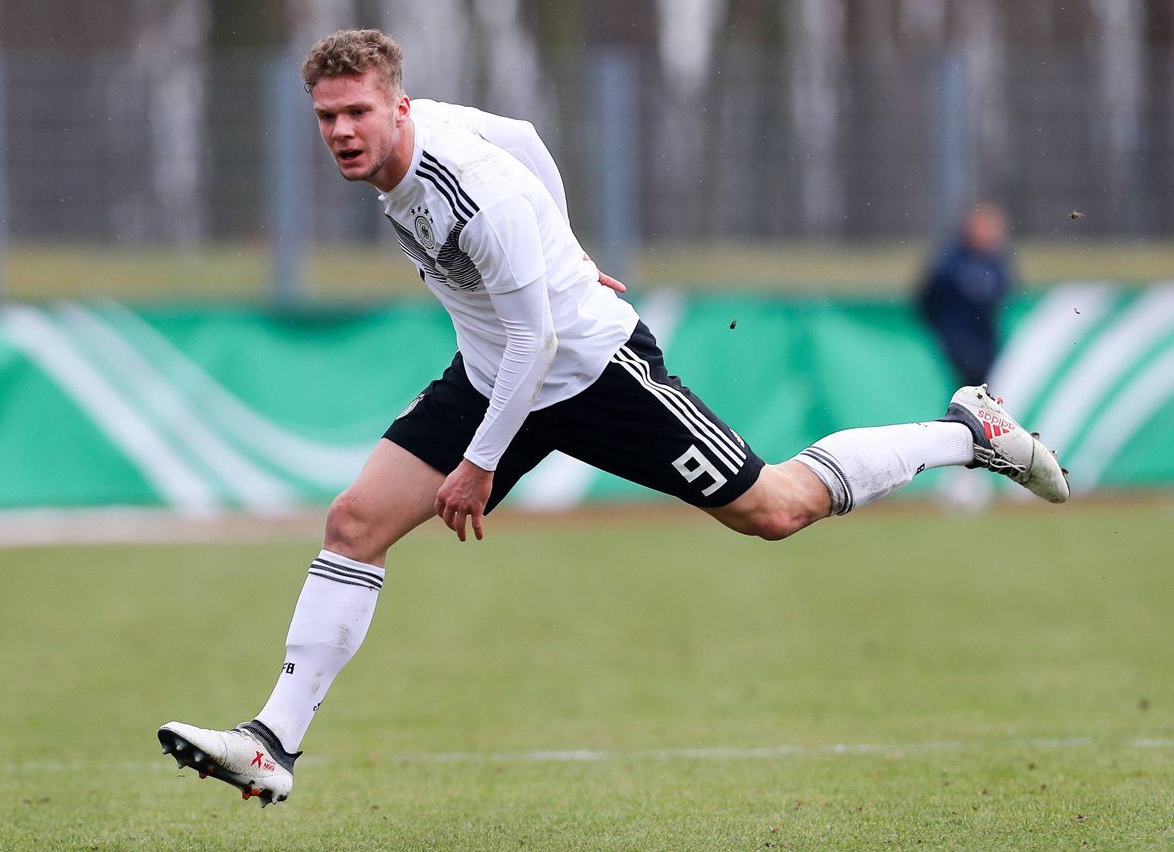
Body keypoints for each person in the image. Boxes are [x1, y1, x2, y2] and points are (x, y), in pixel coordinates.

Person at [156, 29, 1068, 807]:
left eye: (357, 112)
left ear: (397, 109)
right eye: (327, 117)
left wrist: (479, 461)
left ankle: (967, 434)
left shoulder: (473, 191)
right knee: (353, 525)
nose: (343, 132)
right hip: (499, 367)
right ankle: (273, 742)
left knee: (776, 510)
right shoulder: (431, 135)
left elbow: (539, 343)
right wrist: (569, 247)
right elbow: (523, 131)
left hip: (591, 371)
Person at [917, 203, 1014, 389]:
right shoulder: (952, 262)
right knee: (965, 393)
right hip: (958, 343)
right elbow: (929, 298)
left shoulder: (997, 262)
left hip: (985, 344)